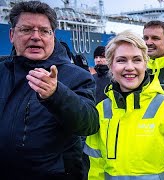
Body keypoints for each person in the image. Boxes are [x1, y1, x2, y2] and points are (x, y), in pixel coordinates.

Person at [0, 1, 99, 179]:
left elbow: (89, 124)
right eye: (26, 29)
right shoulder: (2, 72)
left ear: (53, 36)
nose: (36, 36)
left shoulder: (77, 76)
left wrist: (57, 95)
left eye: (44, 31)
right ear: (12, 35)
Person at [84, 31, 164, 179]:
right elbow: (96, 169)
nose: (130, 67)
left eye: (137, 60)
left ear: (145, 63)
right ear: (111, 65)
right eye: (121, 60)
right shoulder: (101, 111)